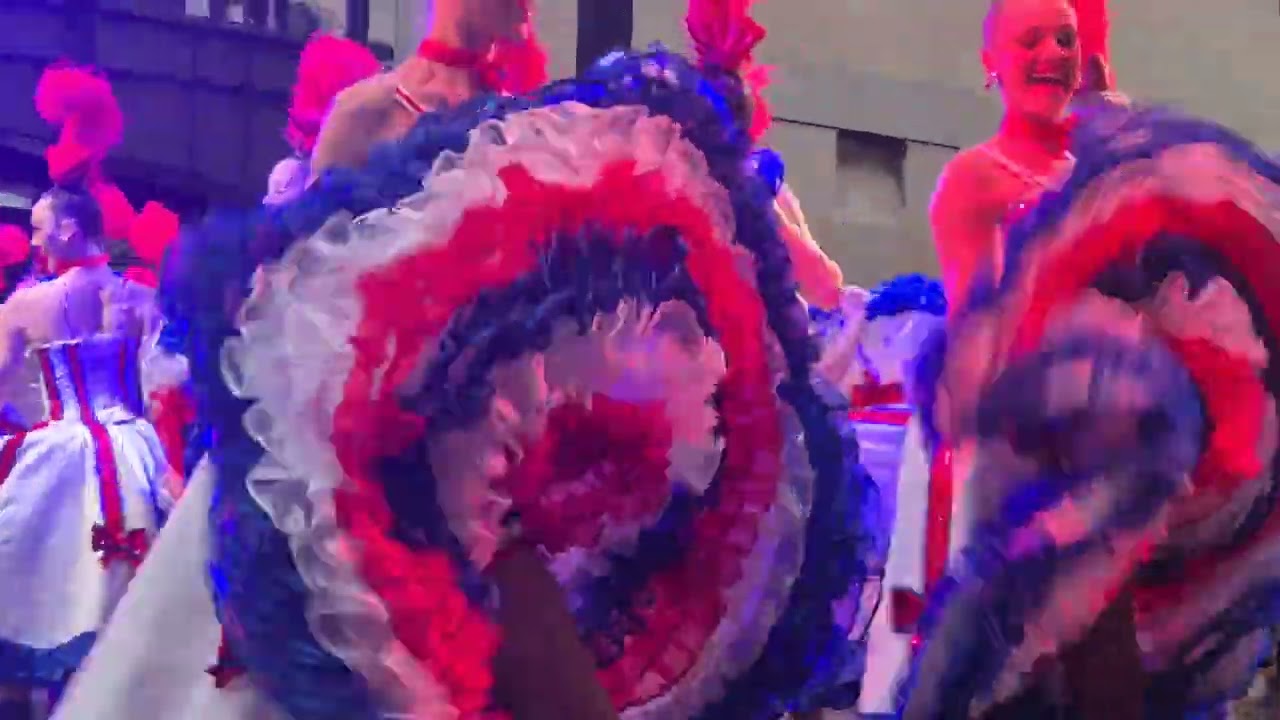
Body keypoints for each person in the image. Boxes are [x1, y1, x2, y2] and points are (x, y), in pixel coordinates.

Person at [900, 101, 1280, 720]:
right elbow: (983, 343)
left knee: (1091, 630)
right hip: (1046, 449)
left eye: (1066, 40)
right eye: (1036, 40)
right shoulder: (981, 184)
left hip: (1123, 472)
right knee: (1030, 627)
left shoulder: (1136, 253)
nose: (1055, 56)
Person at [0, 182, 172, 720]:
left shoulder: (28, 302)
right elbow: (162, 388)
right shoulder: (142, 298)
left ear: (68, 229)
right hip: (134, 449)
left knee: (39, 581)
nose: (34, 241)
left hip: (60, 452)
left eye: (39, 227)